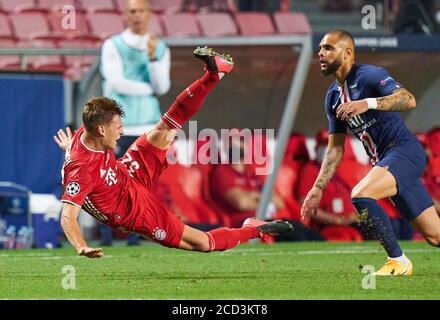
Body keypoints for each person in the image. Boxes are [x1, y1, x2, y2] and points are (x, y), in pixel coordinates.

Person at [54, 47, 293, 258]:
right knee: (203, 243)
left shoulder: (84, 137)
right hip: (136, 211)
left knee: (167, 125)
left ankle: (213, 74)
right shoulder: (81, 168)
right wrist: (81, 246)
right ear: (100, 129)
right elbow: (67, 215)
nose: (122, 132)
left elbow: (78, 156)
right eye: (117, 128)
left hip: (128, 170)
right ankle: (254, 227)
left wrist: (68, 150)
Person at [301, 29, 439, 276]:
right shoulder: (332, 97)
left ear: (347, 53)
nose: (320, 53)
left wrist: (368, 103)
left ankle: (398, 261)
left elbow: (408, 100)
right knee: (434, 235)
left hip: (405, 151)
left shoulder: (370, 76)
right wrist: (318, 187)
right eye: (320, 48)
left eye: (328, 48)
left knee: (361, 195)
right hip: (388, 160)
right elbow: (335, 148)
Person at [100, 0, 171, 245]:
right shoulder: (113, 45)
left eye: (141, 11)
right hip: (118, 125)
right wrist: (149, 88)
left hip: (148, 125)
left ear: (148, 14)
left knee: (141, 184)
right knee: (108, 180)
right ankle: (106, 235)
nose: (137, 16)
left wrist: (152, 58)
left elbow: (162, 86)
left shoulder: (158, 47)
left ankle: (134, 235)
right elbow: (117, 82)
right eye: (132, 11)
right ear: (126, 15)